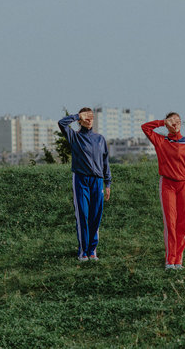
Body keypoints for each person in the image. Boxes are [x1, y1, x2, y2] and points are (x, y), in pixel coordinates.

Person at [142, 112, 185, 270]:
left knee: (182, 225)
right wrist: (162, 122)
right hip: (167, 185)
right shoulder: (161, 141)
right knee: (171, 223)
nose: (175, 123)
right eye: (172, 121)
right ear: (167, 124)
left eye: (178, 121)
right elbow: (145, 128)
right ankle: (170, 260)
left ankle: (178, 261)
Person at [58, 108, 112, 262]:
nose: (89, 119)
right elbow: (61, 123)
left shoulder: (100, 139)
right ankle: (83, 252)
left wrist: (107, 183)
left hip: (97, 181)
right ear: (80, 120)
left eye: (91, 117)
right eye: (86, 117)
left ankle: (92, 250)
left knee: (96, 216)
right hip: (81, 180)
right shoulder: (74, 137)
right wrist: (76, 116)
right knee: (83, 215)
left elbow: (105, 162)